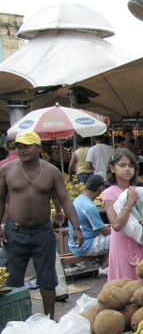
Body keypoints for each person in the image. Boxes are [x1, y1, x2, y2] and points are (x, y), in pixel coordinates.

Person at [0, 131, 83, 319]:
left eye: (27, 146)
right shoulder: (7, 170)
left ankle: (49, 320)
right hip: (15, 231)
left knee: (47, 280)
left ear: (39, 147)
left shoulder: (51, 171)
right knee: (12, 281)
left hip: (42, 232)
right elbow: (0, 199)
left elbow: (65, 199)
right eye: (19, 146)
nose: (22, 150)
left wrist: (76, 227)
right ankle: (15, 322)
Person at [102, 148, 143, 281]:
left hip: (139, 243)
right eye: (122, 165)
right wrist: (130, 201)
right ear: (112, 168)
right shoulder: (110, 193)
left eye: (131, 166)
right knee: (123, 284)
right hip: (121, 245)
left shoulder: (140, 191)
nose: (127, 169)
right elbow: (116, 224)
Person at [68, 174, 111, 275]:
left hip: (74, 243)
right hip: (86, 245)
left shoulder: (77, 200)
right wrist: (117, 229)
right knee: (118, 237)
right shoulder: (89, 206)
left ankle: (104, 262)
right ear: (100, 188)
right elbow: (103, 230)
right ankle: (104, 268)